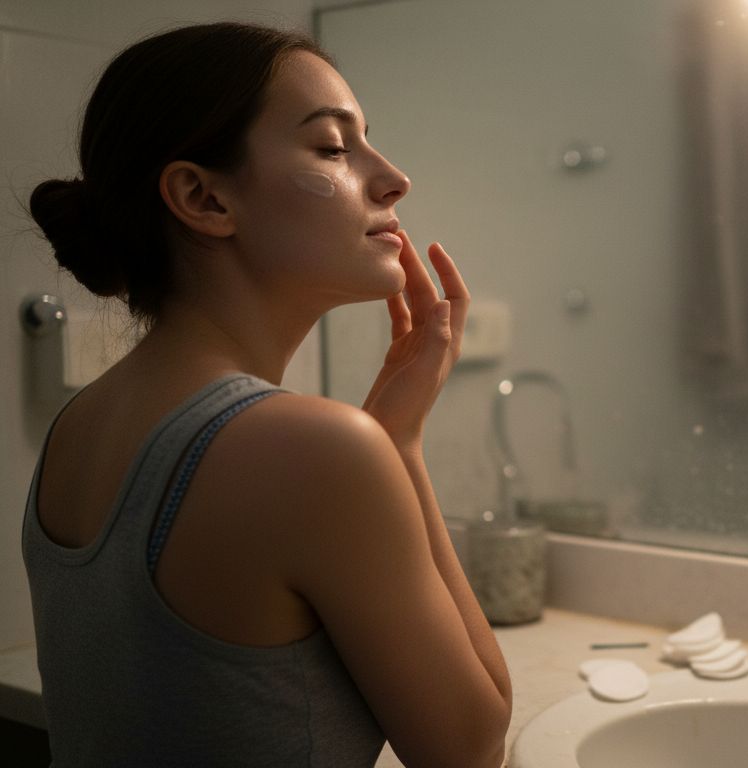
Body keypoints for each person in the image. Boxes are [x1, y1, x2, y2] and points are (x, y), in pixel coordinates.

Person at [23, 22, 510, 767]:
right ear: (202, 197)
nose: (393, 178)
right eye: (333, 148)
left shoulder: (77, 427)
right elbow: (471, 747)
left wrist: (390, 436)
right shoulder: (316, 451)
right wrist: (398, 448)